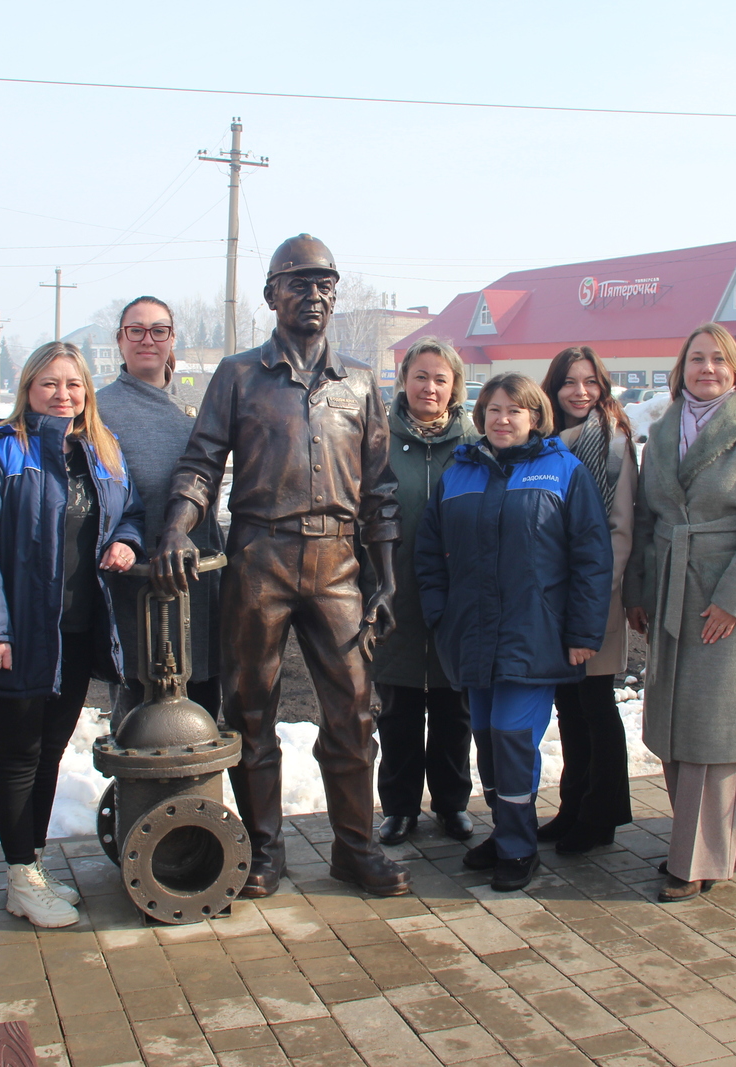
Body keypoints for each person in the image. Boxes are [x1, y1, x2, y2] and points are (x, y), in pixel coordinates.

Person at [153, 235, 409, 898]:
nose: (314, 295)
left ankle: (356, 846)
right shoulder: (238, 376)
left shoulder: (358, 382)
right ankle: (264, 850)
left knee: (353, 712)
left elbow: (379, 487)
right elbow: (201, 462)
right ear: (271, 295)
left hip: (339, 564)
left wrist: (386, 577)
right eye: (299, 283)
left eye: (326, 283)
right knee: (250, 710)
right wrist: (179, 528)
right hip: (259, 557)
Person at [0, 342, 143, 927]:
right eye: (49, 385)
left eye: (73, 385)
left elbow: (128, 509)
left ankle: (30, 862)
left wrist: (126, 540)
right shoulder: (1, 453)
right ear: (28, 389)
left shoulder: (101, 452)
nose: (63, 395)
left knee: (50, 754)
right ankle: (17, 878)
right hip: (18, 635)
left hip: (77, 635)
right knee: (16, 755)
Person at [418, 374, 611, 892]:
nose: (502, 419)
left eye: (514, 411)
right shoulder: (459, 472)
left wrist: (583, 632)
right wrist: (440, 612)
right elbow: (429, 551)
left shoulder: (563, 471)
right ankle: (506, 831)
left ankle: (520, 848)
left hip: (535, 633)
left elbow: (592, 559)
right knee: (485, 738)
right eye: (493, 410)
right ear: (480, 417)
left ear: (534, 417)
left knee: (512, 736)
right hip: (472, 635)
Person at [624, 323, 736, 902]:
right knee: (673, 724)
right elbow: (646, 519)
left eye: (719, 360)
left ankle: (698, 860)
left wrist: (734, 601)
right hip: (672, 587)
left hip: (730, 601)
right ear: (682, 365)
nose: (708, 369)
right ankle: (691, 846)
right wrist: (638, 592)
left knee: (715, 731)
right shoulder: (665, 427)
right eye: (697, 358)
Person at [96, 297, 225, 718]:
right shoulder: (97, 410)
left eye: (159, 330)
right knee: (141, 708)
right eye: (136, 330)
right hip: (136, 582)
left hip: (200, 578)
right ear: (120, 340)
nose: (147, 340)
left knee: (202, 704)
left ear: (173, 339)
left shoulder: (200, 406)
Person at [372, 338, 476, 847]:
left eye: (440, 378)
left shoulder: (474, 444)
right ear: (402, 380)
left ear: (454, 386)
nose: (429, 387)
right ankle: (399, 807)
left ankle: (453, 804)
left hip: (458, 599)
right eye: (420, 376)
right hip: (395, 594)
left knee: (456, 709)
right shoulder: (378, 440)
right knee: (399, 709)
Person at [538, 346, 638, 854]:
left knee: (596, 706)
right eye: (569, 382)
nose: (581, 392)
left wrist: (596, 600)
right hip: (553, 598)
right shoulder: (546, 442)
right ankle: (573, 805)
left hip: (598, 596)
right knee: (569, 706)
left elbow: (621, 531)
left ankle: (602, 815)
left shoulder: (613, 442)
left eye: (590, 381)